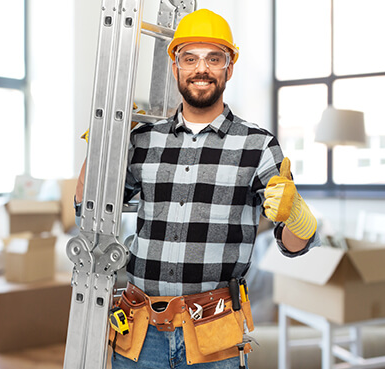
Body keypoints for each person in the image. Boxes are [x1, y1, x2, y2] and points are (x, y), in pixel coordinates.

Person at [75, 8, 320, 369]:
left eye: (213, 58)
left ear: (228, 68)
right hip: (139, 334)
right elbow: (87, 210)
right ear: (175, 66)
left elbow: (294, 244)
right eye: (189, 58)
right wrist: (100, 152)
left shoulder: (258, 146)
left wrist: (298, 216)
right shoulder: (143, 141)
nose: (200, 69)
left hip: (214, 336)